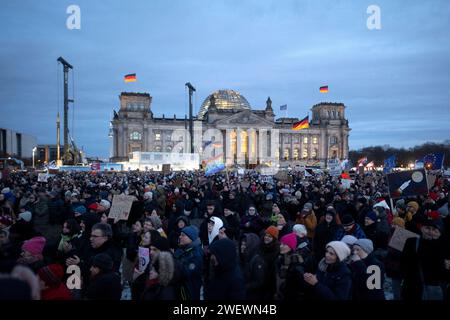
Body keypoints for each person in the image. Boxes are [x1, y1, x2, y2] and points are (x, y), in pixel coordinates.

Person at [401, 215, 447, 300]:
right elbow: (403, 263)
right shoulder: (412, 242)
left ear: (440, 233)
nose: (430, 232)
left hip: (433, 289)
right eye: (428, 228)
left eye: (434, 230)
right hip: (413, 288)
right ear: (422, 228)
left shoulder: (444, 247)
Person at [173, 226, 203, 300]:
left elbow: (185, 272)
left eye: (183, 235)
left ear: (191, 238)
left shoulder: (196, 254)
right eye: (180, 234)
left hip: (189, 292)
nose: (180, 237)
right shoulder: (183, 248)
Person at [239, 233, 266, 300]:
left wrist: (242, 287)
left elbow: (258, 282)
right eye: (241, 244)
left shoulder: (257, 260)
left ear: (251, 246)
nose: (242, 246)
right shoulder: (244, 257)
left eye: (245, 245)